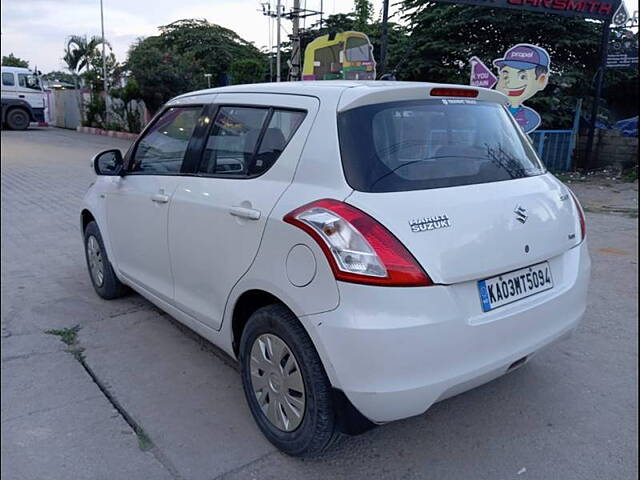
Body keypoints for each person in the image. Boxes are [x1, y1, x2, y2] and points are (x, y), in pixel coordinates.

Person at [493, 44, 550, 133]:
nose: (510, 83)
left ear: (541, 81)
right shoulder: (492, 110)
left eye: (522, 77)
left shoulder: (530, 117)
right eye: (505, 75)